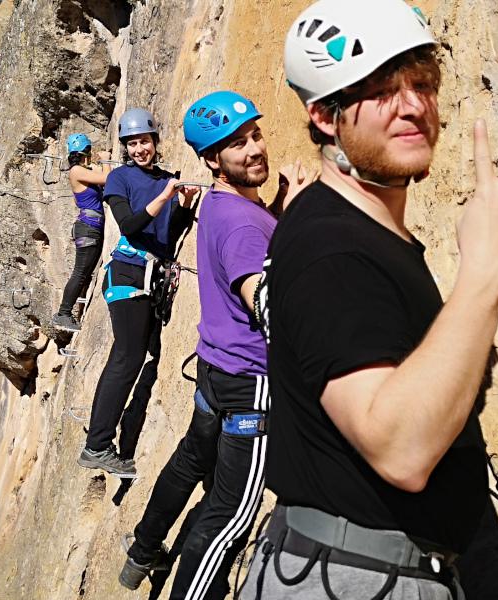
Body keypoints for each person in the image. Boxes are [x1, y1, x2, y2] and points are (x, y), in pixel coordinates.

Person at [239, 1, 498, 598]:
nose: (412, 106)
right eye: (380, 90)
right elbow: (399, 449)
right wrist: (484, 272)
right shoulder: (333, 251)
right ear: (325, 116)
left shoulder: (369, 233)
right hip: (356, 578)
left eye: (422, 84)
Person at [119, 91, 312, 599]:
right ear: (212, 160)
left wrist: (282, 209)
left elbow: (249, 249)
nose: (254, 149)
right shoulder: (243, 225)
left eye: (255, 135)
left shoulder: (223, 204)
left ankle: (143, 550)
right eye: (236, 145)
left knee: (190, 460)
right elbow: (266, 302)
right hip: (251, 385)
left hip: (214, 370)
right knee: (230, 516)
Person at [78, 108, 200, 478]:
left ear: (155, 141)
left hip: (151, 275)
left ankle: (101, 440)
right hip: (128, 273)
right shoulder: (119, 178)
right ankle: (97, 446)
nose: (140, 149)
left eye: (144, 141)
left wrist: (182, 206)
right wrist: (165, 197)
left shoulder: (167, 179)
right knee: (127, 358)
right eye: (132, 144)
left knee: (135, 356)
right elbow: (130, 225)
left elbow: (169, 233)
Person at [53, 133, 113, 331]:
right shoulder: (76, 171)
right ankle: (63, 313)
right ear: (84, 152)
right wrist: (105, 160)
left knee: (84, 273)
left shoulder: (82, 170)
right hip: (88, 228)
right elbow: (106, 177)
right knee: (80, 273)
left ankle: (66, 312)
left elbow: (99, 175)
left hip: (90, 227)